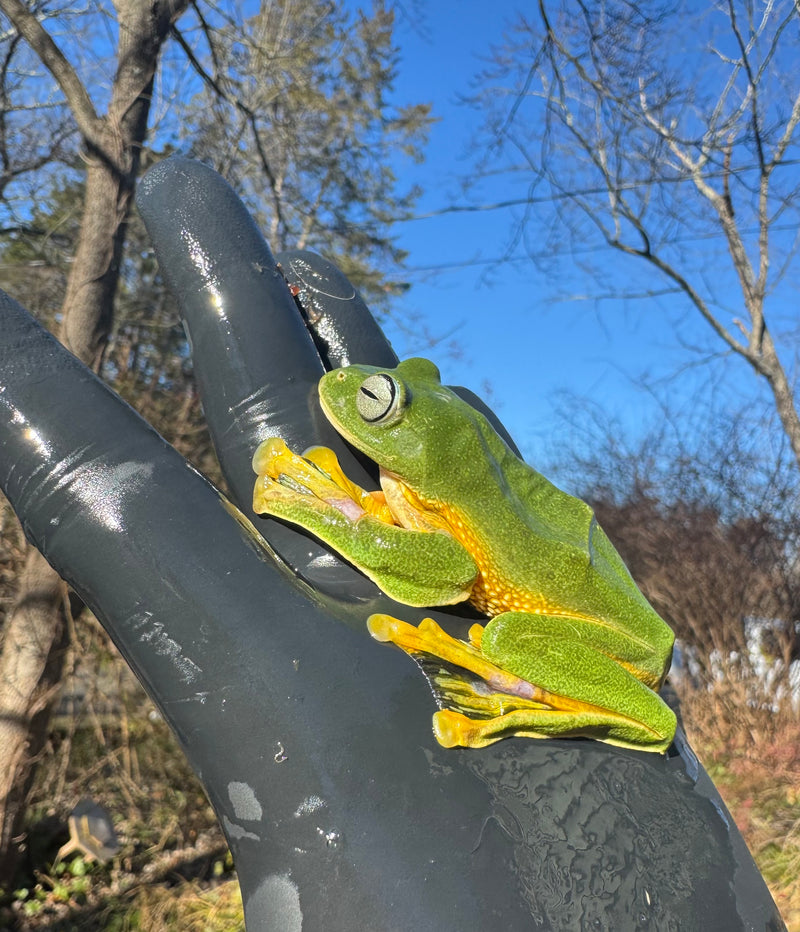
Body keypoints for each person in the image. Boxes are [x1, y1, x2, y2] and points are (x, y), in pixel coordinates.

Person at [0, 157, 784, 931]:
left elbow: (443, 573)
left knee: (506, 632)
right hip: (607, 605)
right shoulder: (435, 473)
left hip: (605, 643)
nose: (349, 398)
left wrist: (336, 514)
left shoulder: (439, 490)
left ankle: (543, 704)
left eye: (378, 399)